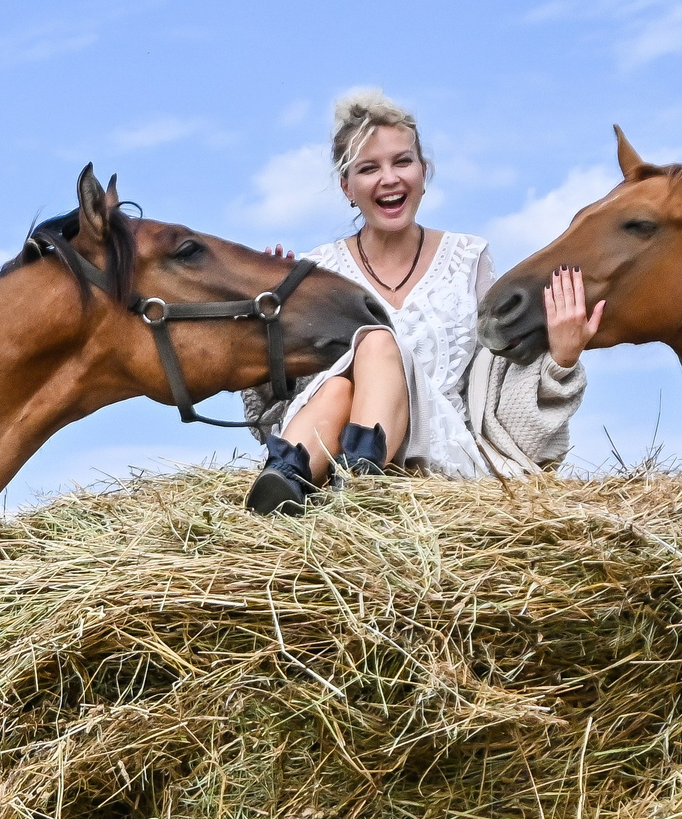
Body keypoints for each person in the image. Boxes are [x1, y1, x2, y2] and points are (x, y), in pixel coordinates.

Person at [244, 89, 599, 515]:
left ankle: (349, 483)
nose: (389, 178)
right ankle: (290, 485)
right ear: (347, 187)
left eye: (402, 161)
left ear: (423, 173)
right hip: (333, 439)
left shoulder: (468, 258)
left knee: (376, 341)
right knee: (336, 384)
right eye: (369, 168)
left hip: (440, 451)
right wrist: (266, 325)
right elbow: (281, 394)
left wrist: (560, 356)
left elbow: (500, 373)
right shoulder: (316, 270)